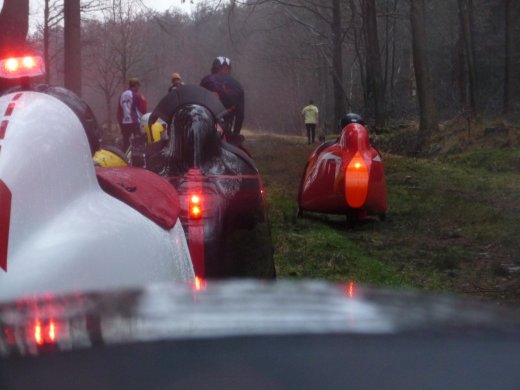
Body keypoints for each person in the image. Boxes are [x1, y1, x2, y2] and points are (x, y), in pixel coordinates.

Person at [200, 56, 245, 141]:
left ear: (214, 68)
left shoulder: (206, 80)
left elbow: (198, 103)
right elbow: (240, 115)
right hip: (225, 129)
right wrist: (236, 133)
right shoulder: (237, 85)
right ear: (229, 69)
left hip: (204, 127)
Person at [117, 77, 147, 153]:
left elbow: (119, 111)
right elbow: (143, 110)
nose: (138, 88)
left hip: (124, 123)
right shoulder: (137, 95)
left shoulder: (122, 95)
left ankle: (126, 158)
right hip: (134, 121)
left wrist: (120, 123)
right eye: (138, 86)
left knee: (126, 142)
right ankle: (137, 159)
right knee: (138, 141)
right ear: (135, 85)